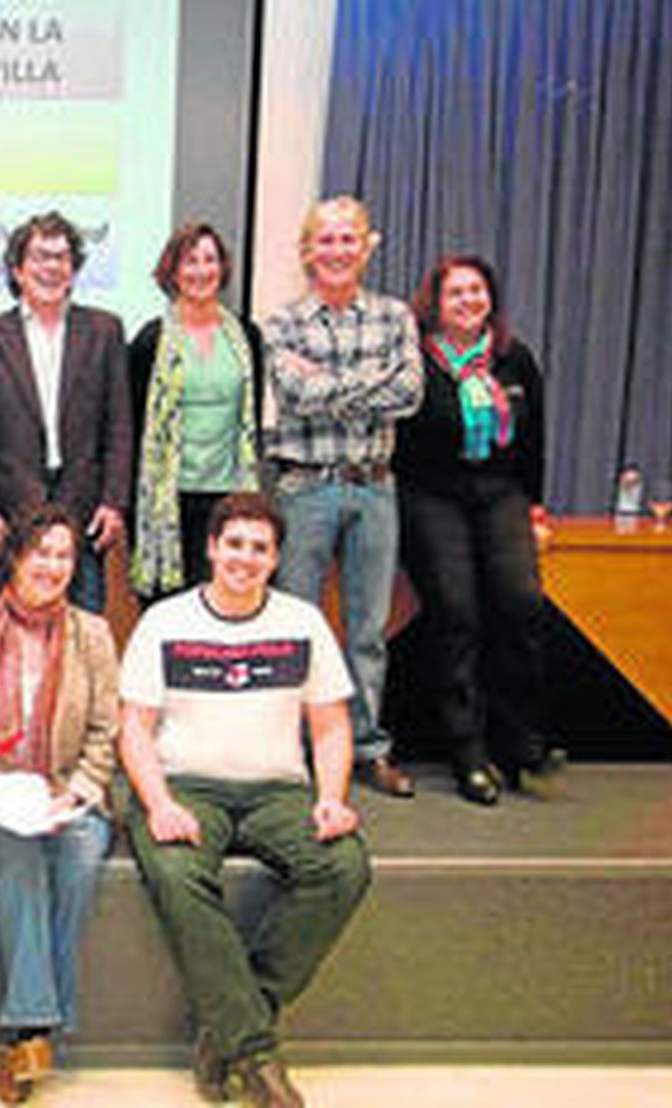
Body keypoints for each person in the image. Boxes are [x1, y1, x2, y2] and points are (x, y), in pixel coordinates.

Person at [117, 492, 371, 1108]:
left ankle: (228, 1024)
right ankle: (255, 1052)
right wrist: (158, 804)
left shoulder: (302, 622)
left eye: (260, 548)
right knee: (178, 875)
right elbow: (133, 729)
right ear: (211, 548)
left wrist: (331, 799)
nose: (245, 557)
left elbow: (332, 727)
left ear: (276, 558)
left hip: (277, 790)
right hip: (185, 788)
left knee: (343, 867)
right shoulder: (166, 622)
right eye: (234, 543)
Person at [0, 504, 117, 1104]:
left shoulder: (93, 634)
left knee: (82, 854)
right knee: (18, 852)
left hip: (66, 791)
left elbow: (104, 732)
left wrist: (76, 792)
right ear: (15, 558)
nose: (53, 566)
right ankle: (32, 1026)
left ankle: (30, 1031)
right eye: (41, 552)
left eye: (64, 556)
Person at [262, 195, 424, 799]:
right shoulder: (282, 323)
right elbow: (296, 397)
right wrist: (369, 381)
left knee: (367, 630)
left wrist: (328, 382)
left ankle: (365, 747)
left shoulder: (396, 316)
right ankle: (294, 751)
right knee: (296, 626)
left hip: (375, 486)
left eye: (346, 239)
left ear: (366, 246)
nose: (335, 250)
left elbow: (408, 393)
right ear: (307, 250)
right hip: (306, 486)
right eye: (324, 240)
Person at [393, 255, 566, 805]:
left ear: (490, 298)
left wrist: (535, 508)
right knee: (457, 612)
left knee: (521, 603)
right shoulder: (417, 361)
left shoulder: (514, 360)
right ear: (435, 304)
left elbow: (534, 440)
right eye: (455, 293)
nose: (468, 301)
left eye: (476, 291)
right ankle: (467, 752)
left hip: (500, 494)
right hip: (431, 496)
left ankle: (522, 743)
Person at [0, 211, 133, 614]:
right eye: (39, 257)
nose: (51, 267)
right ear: (18, 269)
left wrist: (113, 502)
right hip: (11, 520)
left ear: (74, 270)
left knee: (84, 638)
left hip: (85, 516)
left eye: (61, 257)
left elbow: (119, 427)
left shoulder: (105, 332)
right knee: (11, 643)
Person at [130, 222, 265, 600]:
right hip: (167, 502)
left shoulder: (247, 338)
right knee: (169, 610)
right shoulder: (150, 341)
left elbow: (251, 418)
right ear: (173, 271)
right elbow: (135, 426)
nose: (201, 270)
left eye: (210, 260)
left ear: (222, 269)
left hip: (228, 499)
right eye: (190, 261)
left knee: (225, 607)